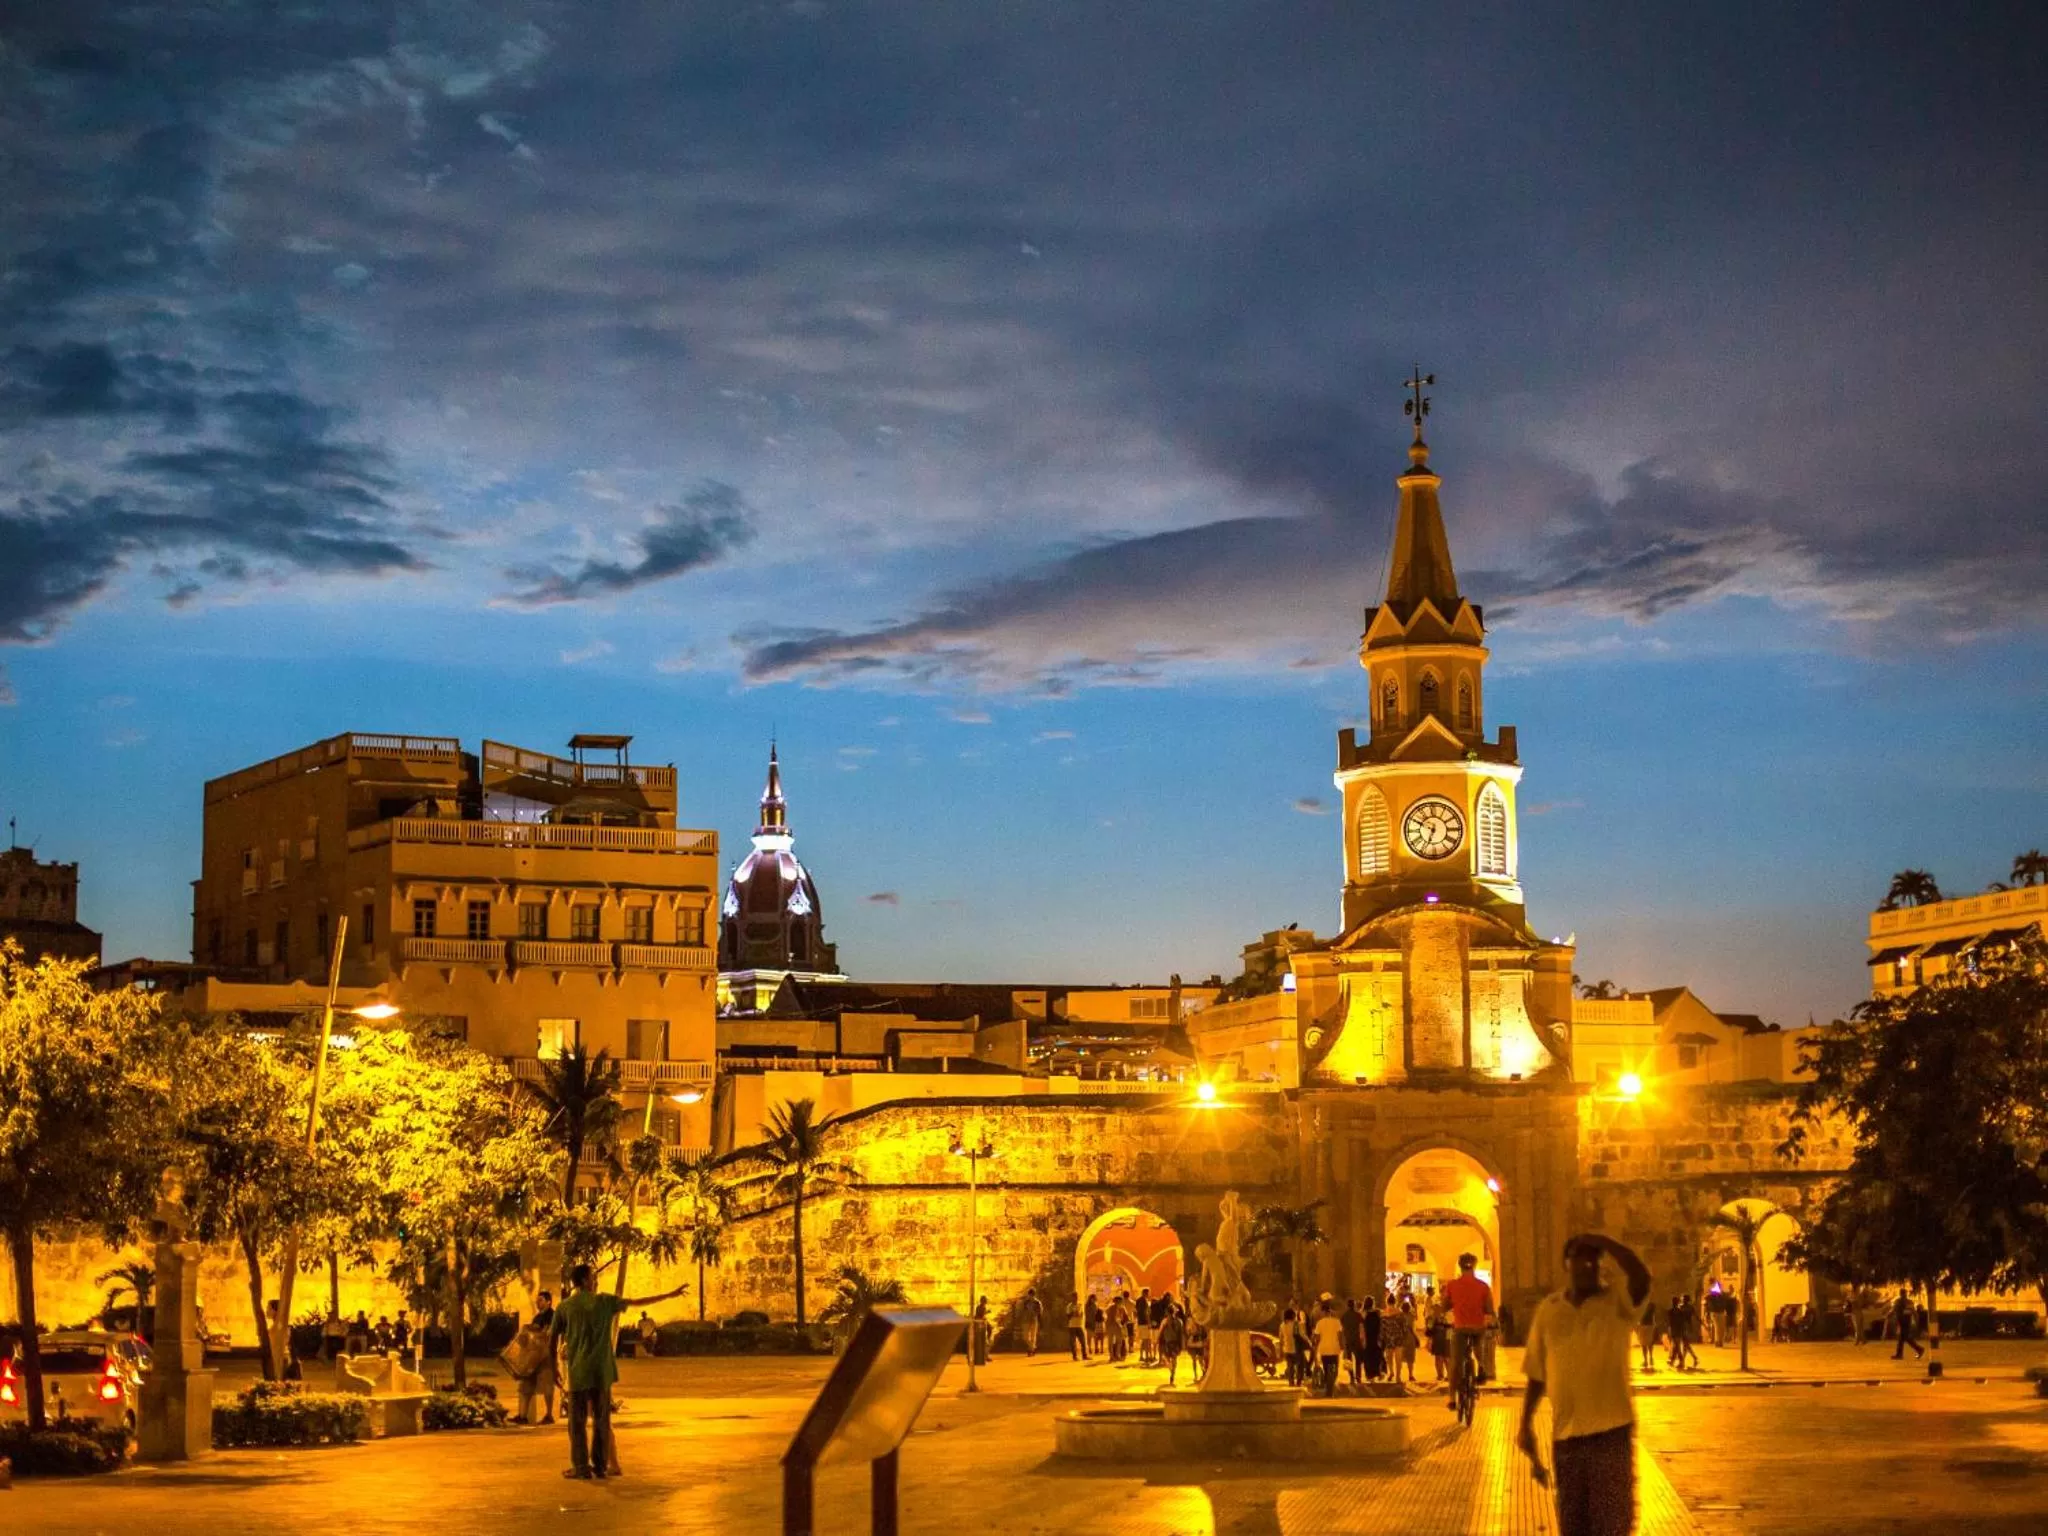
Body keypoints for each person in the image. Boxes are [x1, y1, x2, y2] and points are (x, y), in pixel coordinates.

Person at [1518, 1232, 1652, 1536]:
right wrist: (1525, 1423)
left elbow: (1641, 1275)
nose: (1588, 1265)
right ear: (1567, 1264)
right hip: (1567, 1439)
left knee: (1613, 1524)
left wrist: (1603, 1240)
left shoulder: (1618, 1302)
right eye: (1580, 1258)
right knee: (1573, 1524)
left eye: (1594, 1259)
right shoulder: (1549, 1310)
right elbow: (1537, 1373)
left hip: (1611, 1434)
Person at [551, 1263, 688, 1480]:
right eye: (593, 1278)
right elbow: (637, 1302)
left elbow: (552, 1340)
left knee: (576, 1423)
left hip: (578, 1372)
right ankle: (600, 1466)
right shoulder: (605, 1301)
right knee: (601, 1421)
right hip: (601, 1371)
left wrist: (553, 1369)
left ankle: (580, 1467)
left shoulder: (565, 1307)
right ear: (586, 1281)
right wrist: (670, 1294)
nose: (596, 1281)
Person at [1442, 1253, 1494, 1409]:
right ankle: (1482, 1366)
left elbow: (1445, 1305)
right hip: (1478, 1327)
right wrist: (1489, 1319)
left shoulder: (1452, 1285)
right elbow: (1489, 1309)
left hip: (1460, 1328)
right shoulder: (1483, 1287)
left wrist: (1449, 1310)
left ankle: (1451, 1399)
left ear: (1459, 1266)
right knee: (1480, 1343)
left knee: (1456, 1363)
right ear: (1475, 1266)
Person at [516, 1290, 559, 1426]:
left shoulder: (553, 1316)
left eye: (540, 1300)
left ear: (548, 1301)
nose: (537, 1302)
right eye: (537, 1300)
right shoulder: (537, 1317)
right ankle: (523, 1415)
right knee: (526, 1384)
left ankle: (549, 1415)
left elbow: (549, 1334)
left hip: (546, 1356)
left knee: (547, 1386)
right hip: (533, 1356)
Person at [1312, 1301, 1345, 1397]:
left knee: (1326, 1369)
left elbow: (1317, 1339)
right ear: (1330, 1311)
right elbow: (1340, 1336)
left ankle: (1328, 1388)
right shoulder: (1337, 1322)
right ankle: (1331, 1385)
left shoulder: (1319, 1323)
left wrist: (1315, 1350)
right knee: (1335, 1369)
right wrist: (1342, 1346)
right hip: (1335, 1349)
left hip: (1324, 1350)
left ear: (1323, 1312)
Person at [1158, 1305, 1187, 1386]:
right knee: (1174, 1360)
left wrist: (1157, 1341)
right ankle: (1172, 1374)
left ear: (1167, 1312)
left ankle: (1171, 1371)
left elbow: (1160, 1332)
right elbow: (1181, 1334)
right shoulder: (1179, 1321)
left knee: (1166, 1358)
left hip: (1167, 1343)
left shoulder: (1165, 1321)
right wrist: (1182, 1345)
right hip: (1175, 1343)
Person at [1891, 1291, 1923, 1360]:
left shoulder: (1899, 1301)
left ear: (1900, 1294)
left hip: (1903, 1321)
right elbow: (1913, 1311)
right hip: (1906, 1321)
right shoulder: (1909, 1302)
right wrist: (1916, 1319)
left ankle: (1919, 1349)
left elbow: (1894, 1310)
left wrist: (1891, 1315)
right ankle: (1899, 1354)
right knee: (1902, 1338)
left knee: (1904, 1338)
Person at [1018, 1287, 1043, 1357]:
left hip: (1034, 1320)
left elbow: (1040, 1312)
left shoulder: (1037, 1302)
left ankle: (1030, 1350)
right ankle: (1033, 1348)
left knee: (1033, 1336)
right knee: (1025, 1337)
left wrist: (1040, 1321)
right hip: (1026, 1320)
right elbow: (1022, 1311)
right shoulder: (1025, 1302)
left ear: (1034, 1295)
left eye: (1031, 1295)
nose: (1030, 1296)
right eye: (1029, 1295)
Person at [1636, 1297, 1659, 1373]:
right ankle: (1651, 1358)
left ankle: (1646, 1360)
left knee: (1643, 1344)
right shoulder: (1652, 1305)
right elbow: (1653, 1316)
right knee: (1650, 1343)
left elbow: (1639, 1315)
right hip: (1650, 1325)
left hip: (1643, 1325)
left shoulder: (1641, 1305)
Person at [1085, 1295, 1106, 1359]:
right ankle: (1090, 1348)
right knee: (1090, 1336)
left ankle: (1095, 1348)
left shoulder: (1094, 1305)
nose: (1093, 1300)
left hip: (1093, 1322)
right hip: (1089, 1322)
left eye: (1094, 1299)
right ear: (1090, 1299)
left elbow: (1096, 1313)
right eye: (1092, 1299)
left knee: (1094, 1336)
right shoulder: (1087, 1305)